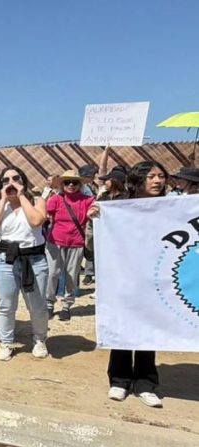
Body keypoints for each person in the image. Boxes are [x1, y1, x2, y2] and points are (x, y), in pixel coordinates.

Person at [89, 160, 168, 408]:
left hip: (156, 278)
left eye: (161, 176)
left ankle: (146, 383)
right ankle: (120, 380)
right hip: (123, 277)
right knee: (123, 327)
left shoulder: (170, 208)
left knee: (148, 329)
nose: (157, 181)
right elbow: (95, 245)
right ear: (137, 180)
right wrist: (96, 220)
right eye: (151, 176)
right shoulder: (117, 206)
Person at [0, 166, 49, 361]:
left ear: (24, 181)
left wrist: (21, 197)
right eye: (6, 180)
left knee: (37, 305)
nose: (11, 183)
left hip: (34, 259)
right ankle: (6, 342)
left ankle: (40, 339)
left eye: (16, 178)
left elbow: (37, 221)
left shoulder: (37, 201)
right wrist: (3, 199)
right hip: (4, 259)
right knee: (6, 304)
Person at [44, 170, 95, 322]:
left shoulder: (87, 199)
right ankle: (49, 304)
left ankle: (67, 305)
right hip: (55, 240)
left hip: (76, 242)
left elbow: (94, 208)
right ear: (62, 184)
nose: (71, 185)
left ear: (80, 184)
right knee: (52, 273)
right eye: (67, 182)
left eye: (74, 182)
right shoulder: (56, 199)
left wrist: (93, 211)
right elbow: (44, 212)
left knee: (72, 275)